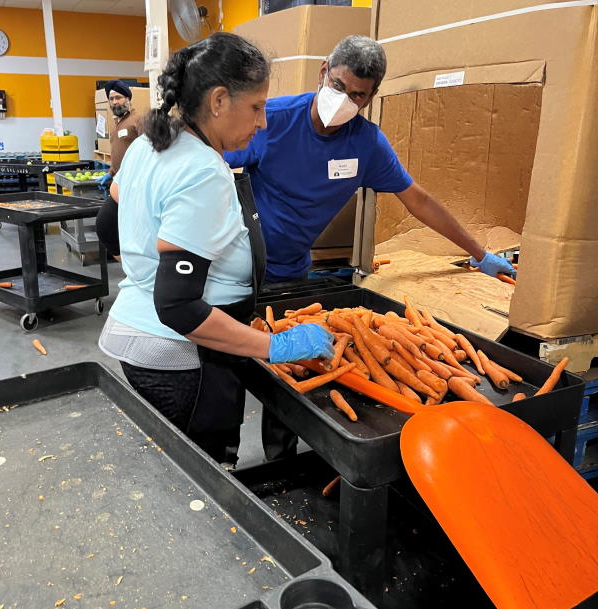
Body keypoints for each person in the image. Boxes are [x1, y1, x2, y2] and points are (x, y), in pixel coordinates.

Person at [224, 34, 516, 460]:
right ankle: (222, 457)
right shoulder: (272, 119)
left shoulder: (365, 143)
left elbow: (418, 200)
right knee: (231, 365)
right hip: (238, 268)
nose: (343, 99)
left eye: (357, 95)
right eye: (338, 86)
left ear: (371, 96)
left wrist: (479, 253)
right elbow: (212, 168)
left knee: (291, 371)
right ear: (324, 72)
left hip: (292, 272)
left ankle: (281, 458)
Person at [95, 33, 334, 469]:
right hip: (183, 361)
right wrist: (272, 346)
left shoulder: (149, 145)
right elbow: (179, 307)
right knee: (199, 477)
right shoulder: (203, 171)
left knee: (170, 471)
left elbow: (106, 226)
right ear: (220, 100)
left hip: (137, 341)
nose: (262, 122)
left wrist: (143, 268)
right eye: (257, 107)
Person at [104, 79, 142, 176]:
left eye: (118, 98)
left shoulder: (138, 120)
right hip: (119, 179)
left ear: (127, 99)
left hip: (135, 177)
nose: (114, 102)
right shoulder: (115, 125)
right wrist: (111, 172)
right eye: (111, 99)